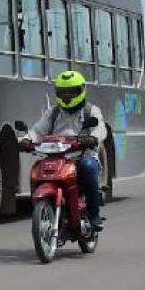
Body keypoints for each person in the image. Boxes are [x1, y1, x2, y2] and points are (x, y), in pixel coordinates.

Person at [20, 70, 106, 231]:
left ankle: (94, 215)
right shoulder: (53, 113)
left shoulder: (90, 111)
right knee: (37, 168)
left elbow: (101, 128)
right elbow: (38, 131)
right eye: (63, 92)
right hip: (57, 156)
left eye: (72, 91)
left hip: (82, 155)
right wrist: (26, 140)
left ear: (81, 91)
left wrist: (92, 138)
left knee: (89, 167)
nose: (67, 95)